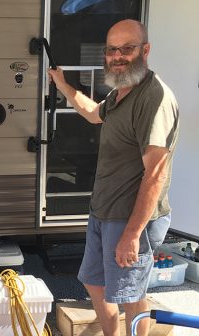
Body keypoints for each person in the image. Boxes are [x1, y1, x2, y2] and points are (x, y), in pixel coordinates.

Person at [49, 19, 179, 336]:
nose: (118, 56)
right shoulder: (121, 94)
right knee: (94, 282)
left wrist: (132, 234)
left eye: (127, 48)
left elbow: (155, 174)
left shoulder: (154, 98)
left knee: (131, 296)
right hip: (104, 210)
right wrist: (63, 85)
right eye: (111, 50)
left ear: (145, 50)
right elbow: (94, 113)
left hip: (130, 217)